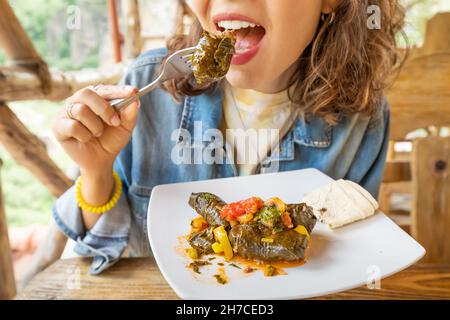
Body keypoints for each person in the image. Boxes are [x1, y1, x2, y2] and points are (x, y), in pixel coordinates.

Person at [52, 0, 405, 273]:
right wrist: (95, 171)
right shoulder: (146, 89)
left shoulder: (362, 117)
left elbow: (356, 257)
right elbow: (101, 256)